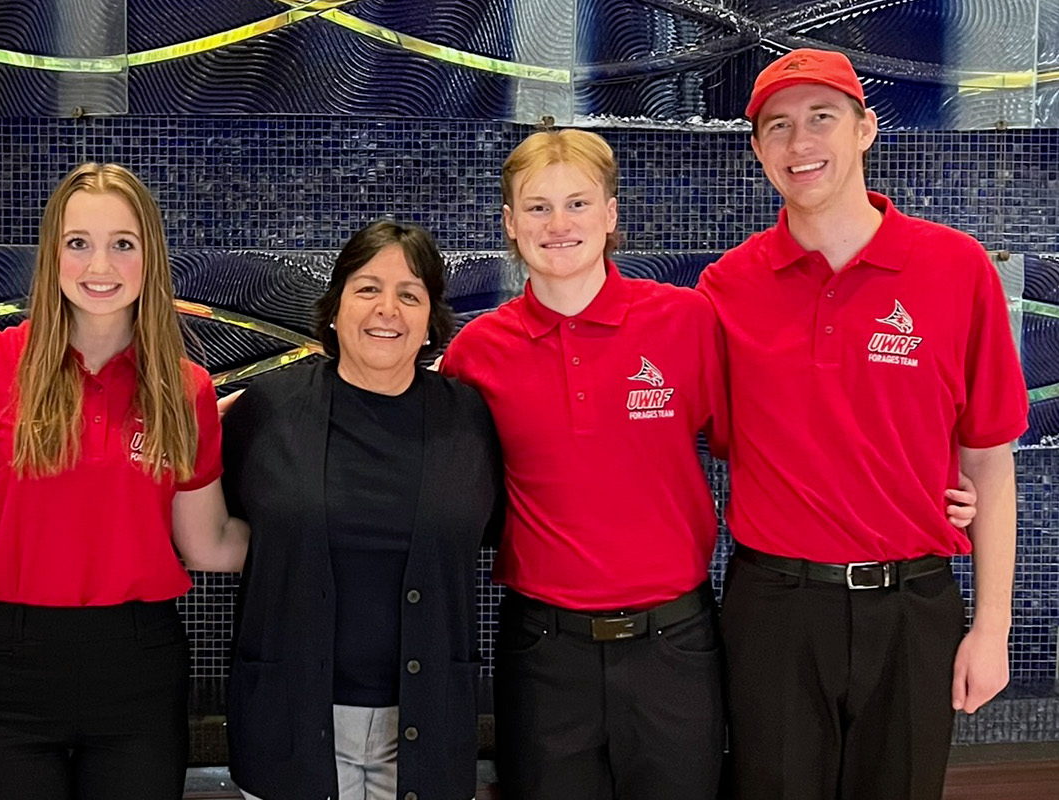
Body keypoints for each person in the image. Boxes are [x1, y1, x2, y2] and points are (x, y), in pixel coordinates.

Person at [438, 129, 979, 800]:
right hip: (543, 646)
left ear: (610, 216)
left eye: (578, 204)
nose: (559, 224)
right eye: (538, 207)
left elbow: (787, 427)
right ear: (510, 224)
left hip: (676, 643)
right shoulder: (478, 351)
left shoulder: (687, 321)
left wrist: (922, 489)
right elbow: (448, 484)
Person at [698, 48, 1028, 800]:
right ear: (758, 150)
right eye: (777, 126)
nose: (799, 143)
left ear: (865, 130)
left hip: (913, 607)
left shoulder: (956, 268)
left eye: (822, 118)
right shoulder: (726, 290)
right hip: (775, 606)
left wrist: (992, 627)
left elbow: (988, 459)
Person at [0, 162, 248, 799]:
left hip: (137, 665)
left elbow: (208, 543)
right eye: (78, 242)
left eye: (122, 244)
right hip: (9, 665)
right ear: (53, 253)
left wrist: (326, 531)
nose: (99, 265)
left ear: (150, 258)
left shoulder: (183, 391)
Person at [221, 220, 503, 800]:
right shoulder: (267, 410)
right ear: (334, 307)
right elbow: (222, 530)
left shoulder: (471, 420)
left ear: (431, 319)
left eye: (410, 294)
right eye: (367, 288)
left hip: (427, 727)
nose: (387, 309)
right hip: (292, 723)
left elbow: (493, 534)